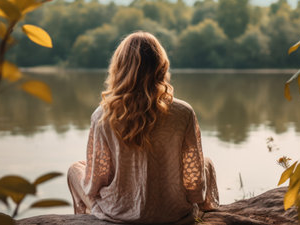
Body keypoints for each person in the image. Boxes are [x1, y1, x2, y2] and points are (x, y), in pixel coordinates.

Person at [67, 31, 219, 224]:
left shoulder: (102, 115)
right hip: (172, 214)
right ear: (160, 66)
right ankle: (207, 211)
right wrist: (194, 201)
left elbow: (95, 183)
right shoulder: (184, 112)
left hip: (118, 213)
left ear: (119, 67)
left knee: (75, 169)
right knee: (205, 163)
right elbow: (194, 185)